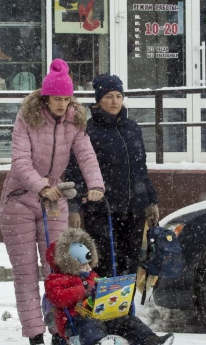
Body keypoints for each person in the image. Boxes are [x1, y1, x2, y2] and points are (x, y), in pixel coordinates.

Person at [0, 59, 105, 345]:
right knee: (25, 272)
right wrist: (41, 185)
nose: (61, 104)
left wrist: (96, 185)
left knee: (59, 269)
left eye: (66, 98)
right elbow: (19, 162)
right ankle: (35, 338)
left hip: (54, 199)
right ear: (45, 97)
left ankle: (60, 329)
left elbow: (86, 154)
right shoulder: (27, 118)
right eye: (56, 98)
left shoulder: (74, 120)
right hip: (19, 199)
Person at [66, 73, 159, 278]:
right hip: (102, 210)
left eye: (118, 95)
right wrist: (75, 206)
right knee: (105, 264)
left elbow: (141, 168)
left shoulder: (132, 128)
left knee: (131, 262)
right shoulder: (88, 131)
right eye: (108, 96)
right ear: (98, 100)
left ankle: (126, 308)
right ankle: (106, 310)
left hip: (134, 208)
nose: (115, 101)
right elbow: (75, 170)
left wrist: (151, 201)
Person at [44, 228, 174, 345]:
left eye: (89, 263)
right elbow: (57, 298)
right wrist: (82, 290)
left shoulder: (91, 276)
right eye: (83, 265)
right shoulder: (55, 280)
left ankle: (150, 342)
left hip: (101, 316)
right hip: (74, 321)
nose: (88, 267)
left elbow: (98, 289)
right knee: (90, 324)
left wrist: (105, 290)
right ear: (69, 263)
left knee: (127, 321)